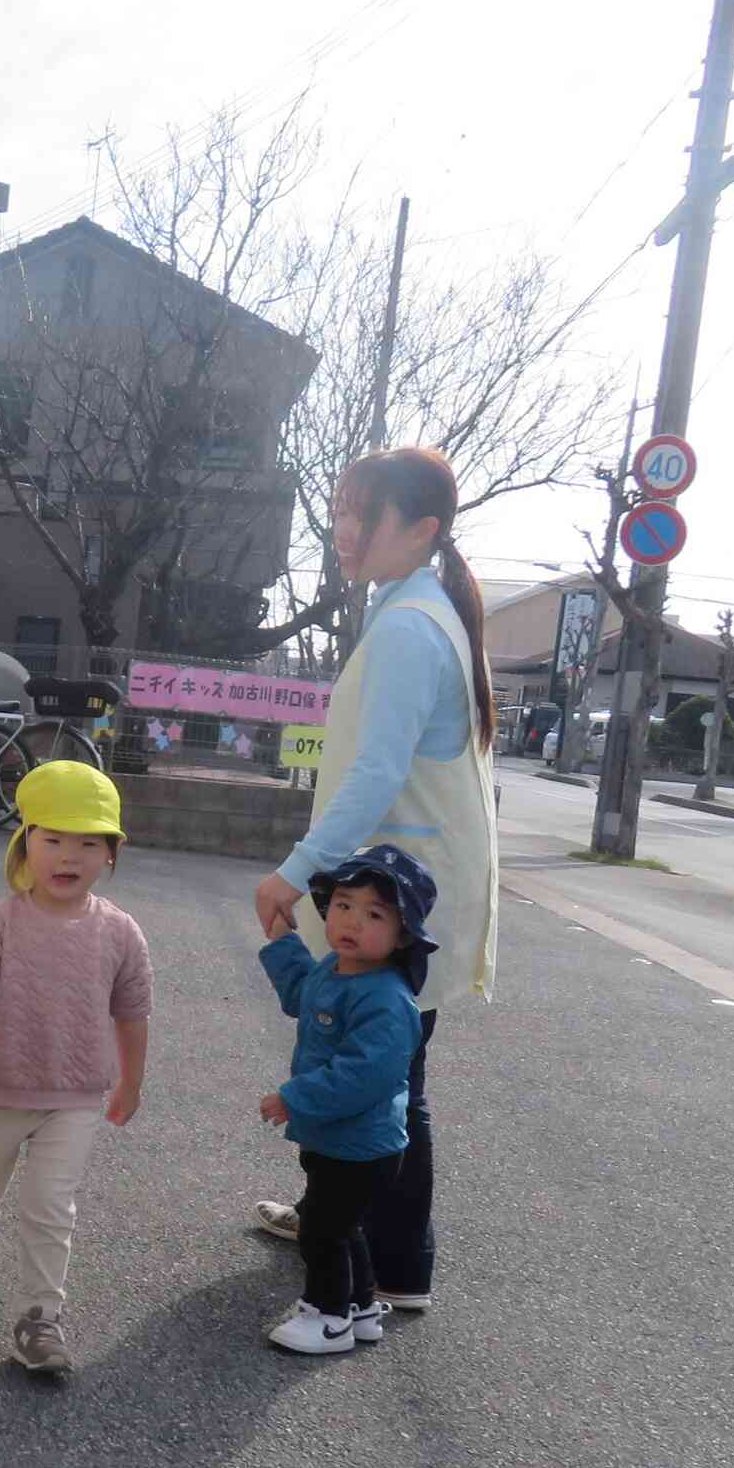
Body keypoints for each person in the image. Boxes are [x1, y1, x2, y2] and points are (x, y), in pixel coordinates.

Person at [248, 447, 498, 1315]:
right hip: (399, 889)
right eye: (341, 509)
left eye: (365, 513)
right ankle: (340, 1222)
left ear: (420, 530)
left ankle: (395, 1266)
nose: (343, 529)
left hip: (398, 896)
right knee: (375, 1063)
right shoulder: (417, 613)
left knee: (393, 1079)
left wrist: (292, 872)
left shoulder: (406, 627)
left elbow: (372, 774)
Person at [0, 761, 150, 1376]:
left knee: (51, 1205)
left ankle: (38, 1319)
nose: (68, 855)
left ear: (110, 855)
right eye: (53, 837)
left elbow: (133, 1011)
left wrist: (132, 1080)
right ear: (26, 841)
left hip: (75, 1096)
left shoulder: (121, 933)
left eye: (88, 842)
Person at [255, 848, 436, 1356]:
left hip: (362, 1146)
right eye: (343, 905)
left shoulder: (386, 998)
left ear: (402, 936)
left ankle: (327, 1315)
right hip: (336, 1139)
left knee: (323, 1231)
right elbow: (300, 996)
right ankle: (360, 1307)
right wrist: (281, 940)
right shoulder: (337, 968)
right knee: (343, 1225)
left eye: (375, 914)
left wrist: (294, 1098)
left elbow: (364, 1074)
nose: (352, 921)